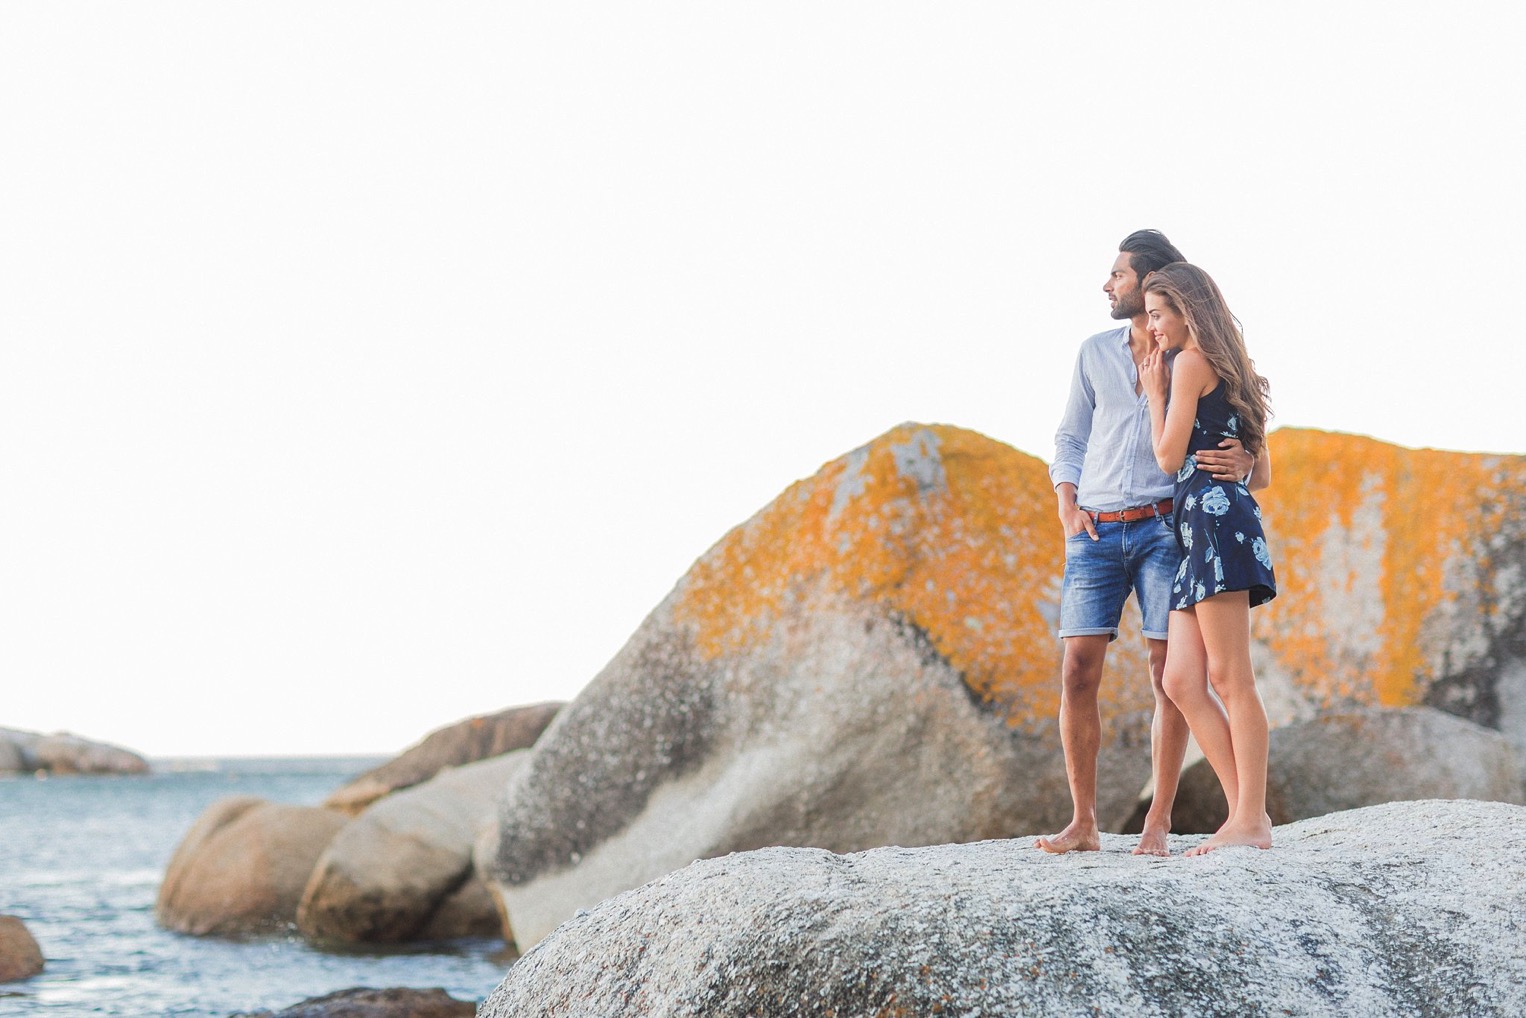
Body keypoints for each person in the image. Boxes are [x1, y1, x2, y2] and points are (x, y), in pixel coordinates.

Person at [1037, 231, 1254, 857]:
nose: (1108, 286)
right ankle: (1083, 823)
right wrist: (1066, 502)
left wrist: (1244, 459)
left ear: (1154, 281)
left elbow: (1234, 418)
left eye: (1118, 275)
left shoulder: (1190, 353)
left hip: (1167, 529)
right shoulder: (1094, 353)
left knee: (1170, 674)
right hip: (1096, 529)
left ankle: (1157, 820)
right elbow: (1071, 436)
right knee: (1078, 669)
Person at [1139, 261, 1276, 856]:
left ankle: (1249, 820)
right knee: (1180, 679)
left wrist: (1155, 396)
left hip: (1215, 523)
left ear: (1185, 310)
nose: (1153, 328)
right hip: (1203, 528)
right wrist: (1244, 460)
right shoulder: (1235, 369)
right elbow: (1262, 471)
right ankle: (1249, 813)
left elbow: (1169, 459)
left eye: (1157, 314)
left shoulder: (1188, 364)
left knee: (1230, 678)